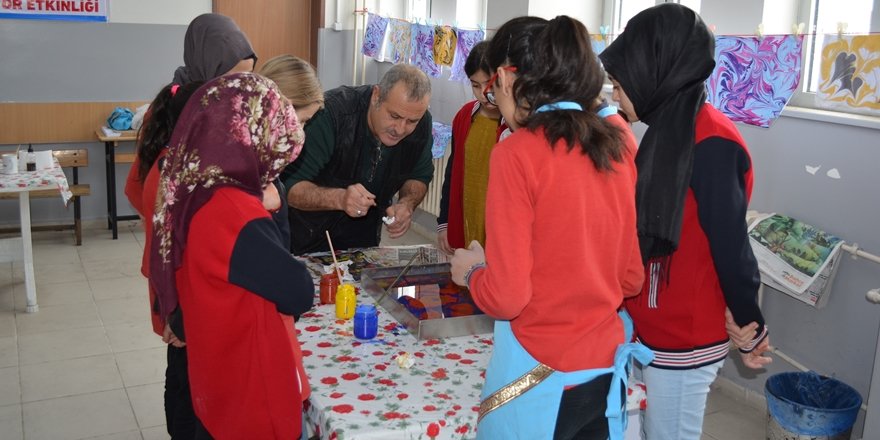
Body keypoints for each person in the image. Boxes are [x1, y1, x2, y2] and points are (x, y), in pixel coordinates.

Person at [449, 15, 651, 439]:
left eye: (490, 90)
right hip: (602, 365)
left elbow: (507, 297)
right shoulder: (618, 142)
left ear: (506, 78)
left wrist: (471, 271)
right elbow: (631, 276)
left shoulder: (518, 154)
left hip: (540, 368)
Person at [598, 4, 772, 439]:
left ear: (655, 72)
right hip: (651, 324)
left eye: (620, 86)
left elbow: (731, 246)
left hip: (684, 338)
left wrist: (749, 322)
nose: (616, 97)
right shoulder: (667, 132)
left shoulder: (711, 141)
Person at [151, 72, 314, 438]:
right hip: (253, 402)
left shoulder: (194, 189)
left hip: (218, 380)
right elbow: (299, 291)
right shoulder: (236, 213)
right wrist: (273, 208)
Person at [123, 12, 257, 439]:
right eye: (235, 79)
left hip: (180, 260)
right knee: (188, 369)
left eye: (248, 80)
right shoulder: (199, 119)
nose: (242, 91)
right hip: (183, 267)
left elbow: (136, 191)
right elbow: (146, 190)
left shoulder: (180, 102)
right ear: (210, 69)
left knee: (184, 365)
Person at [281, 64, 434, 254]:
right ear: (376, 96)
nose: (401, 129)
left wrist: (407, 204)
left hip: (363, 241)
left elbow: (419, 175)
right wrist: (340, 198)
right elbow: (289, 187)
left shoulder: (422, 123)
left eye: (412, 121)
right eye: (394, 116)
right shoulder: (330, 115)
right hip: (303, 238)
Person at [436, 41, 506, 255]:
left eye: (489, 84)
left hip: (499, 231)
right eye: (475, 85)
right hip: (466, 222)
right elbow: (452, 171)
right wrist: (445, 222)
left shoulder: (515, 125)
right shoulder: (465, 116)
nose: (483, 93)